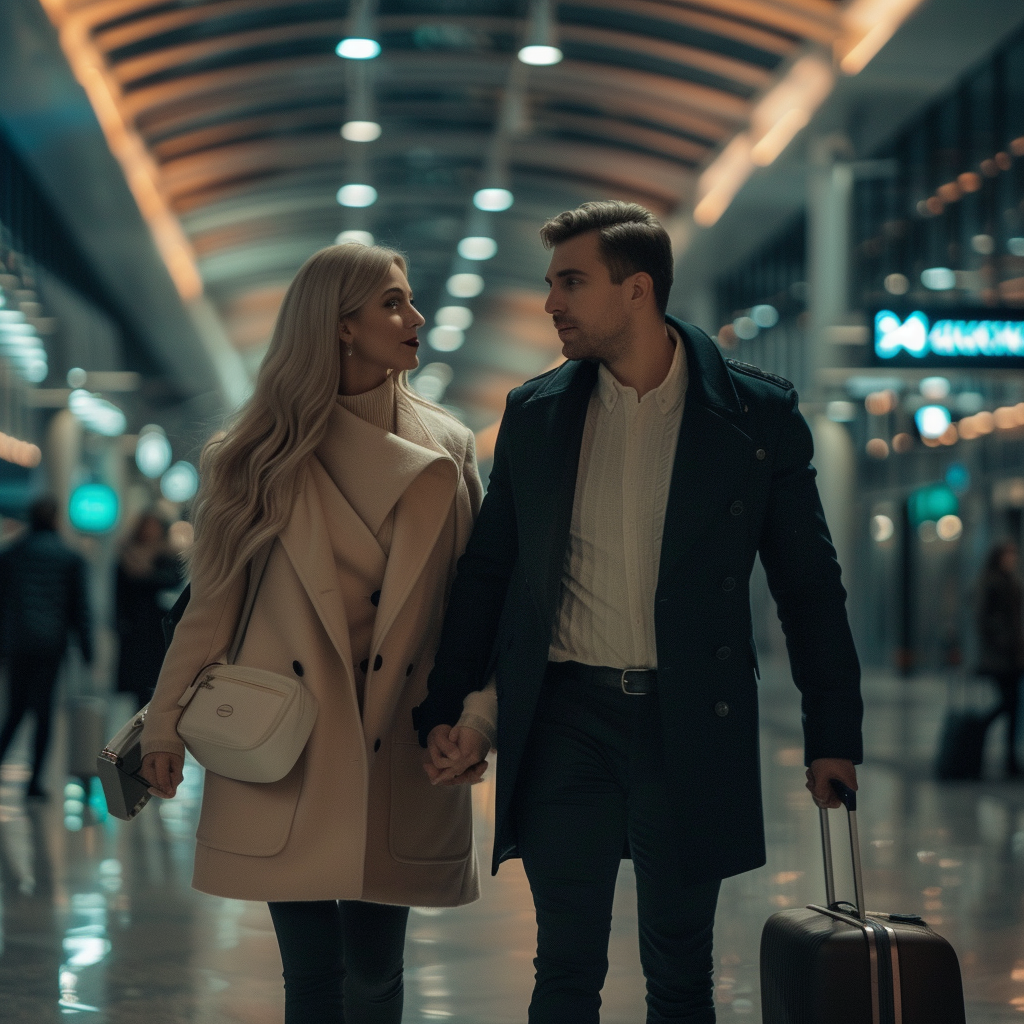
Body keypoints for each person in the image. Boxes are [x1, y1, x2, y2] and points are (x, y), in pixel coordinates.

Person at [414, 201, 863, 1023]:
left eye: (572, 282)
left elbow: (808, 582)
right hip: (564, 720)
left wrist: (833, 733)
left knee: (681, 969)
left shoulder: (754, 417)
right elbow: (489, 574)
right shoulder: (537, 412)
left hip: (688, 719)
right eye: (551, 283)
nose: (552, 303)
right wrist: (449, 710)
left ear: (637, 289)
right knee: (566, 965)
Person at [138, 243, 496, 1024]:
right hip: (286, 743)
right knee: (311, 975)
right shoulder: (255, 456)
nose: (416, 317)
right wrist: (162, 723)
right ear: (340, 327)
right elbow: (211, 610)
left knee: (375, 973)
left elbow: (477, 607)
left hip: (396, 737)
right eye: (394, 303)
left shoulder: (449, 447)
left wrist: (477, 716)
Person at [0, 495, 93, 799]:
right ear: (55, 519)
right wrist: (87, 650)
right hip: (51, 645)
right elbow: (79, 609)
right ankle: (34, 782)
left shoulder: (12, 554)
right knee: (44, 714)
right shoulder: (70, 558)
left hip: (18, 643)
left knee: (14, 711)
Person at [115, 512, 183, 709]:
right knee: (139, 690)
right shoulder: (126, 557)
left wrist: (146, 574)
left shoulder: (169, 556)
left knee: (160, 685)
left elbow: (174, 582)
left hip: (160, 631)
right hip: (136, 631)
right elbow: (119, 597)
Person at [976, 540, 1024, 777]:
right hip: (999, 658)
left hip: (1012, 656)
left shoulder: (1009, 581)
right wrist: (1003, 640)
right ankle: (983, 733)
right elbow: (984, 619)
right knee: (1007, 704)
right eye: (1008, 555)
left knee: (1012, 706)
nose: (1012, 559)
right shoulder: (993, 583)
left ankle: (1010, 759)